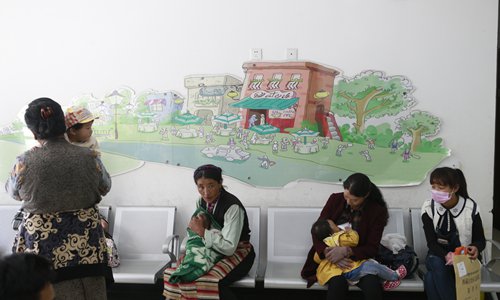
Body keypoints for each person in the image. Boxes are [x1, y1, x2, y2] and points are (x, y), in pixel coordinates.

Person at [5, 97, 112, 300]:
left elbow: (14, 192)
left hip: (44, 252)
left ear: (34, 132)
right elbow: (105, 186)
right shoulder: (90, 157)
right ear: (64, 126)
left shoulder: (24, 162)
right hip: (88, 247)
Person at [164, 164, 255, 300]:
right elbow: (196, 232)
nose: (206, 192)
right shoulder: (201, 202)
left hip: (239, 251)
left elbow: (229, 247)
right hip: (211, 249)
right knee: (181, 273)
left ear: (220, 183)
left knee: (209, 281)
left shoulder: (232, 206)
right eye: (201, 186)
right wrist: (193, 248)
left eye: (211, 185)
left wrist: (201, 231)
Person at [301, 173, 389, 300]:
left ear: (366, 195)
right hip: (329, 259)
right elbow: (317, 230)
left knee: (372, 285)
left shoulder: (377, 211)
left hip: (359, 259)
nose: (349, 202)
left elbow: (371, 248)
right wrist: (329, 254)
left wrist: (346, 251)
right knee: (337, 284)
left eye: (354, 200)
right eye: (346, 197)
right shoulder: (335, 200)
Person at [421, 167, 485, 300]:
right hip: (438, 256)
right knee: (437, 265)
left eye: (441, 187)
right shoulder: (428, 207)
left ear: (455, 188)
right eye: (433, 187)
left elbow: (480, 240)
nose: (435, 191)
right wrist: (445, 255)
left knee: (430, 278)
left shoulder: (470, 208)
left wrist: (475, 248)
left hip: (464, 258)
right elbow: (431, 243)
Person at [311, 219, 406, 291]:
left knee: (371, 268)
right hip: (351, 269)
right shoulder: (339, 237)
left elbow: (316, 258)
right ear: (332, 230)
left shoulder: (325, 245)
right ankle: (394, 276)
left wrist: (327, 255)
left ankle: (386, 281)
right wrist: (349, 231)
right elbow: (354, 241)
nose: (337, 225)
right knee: (372, 266)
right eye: (334, 224)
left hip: (336, 273)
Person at [169, 212, 224, 283]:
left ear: (206, 225)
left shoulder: (212, 233)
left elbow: (217, 241)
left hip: (203, 253)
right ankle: (185, 271)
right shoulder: (191, 236)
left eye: (198, 218)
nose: (194, 219)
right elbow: (191, 246)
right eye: (194, 217)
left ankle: (188, 272)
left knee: (199, 260)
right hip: (193, 251)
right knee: (186, 260)